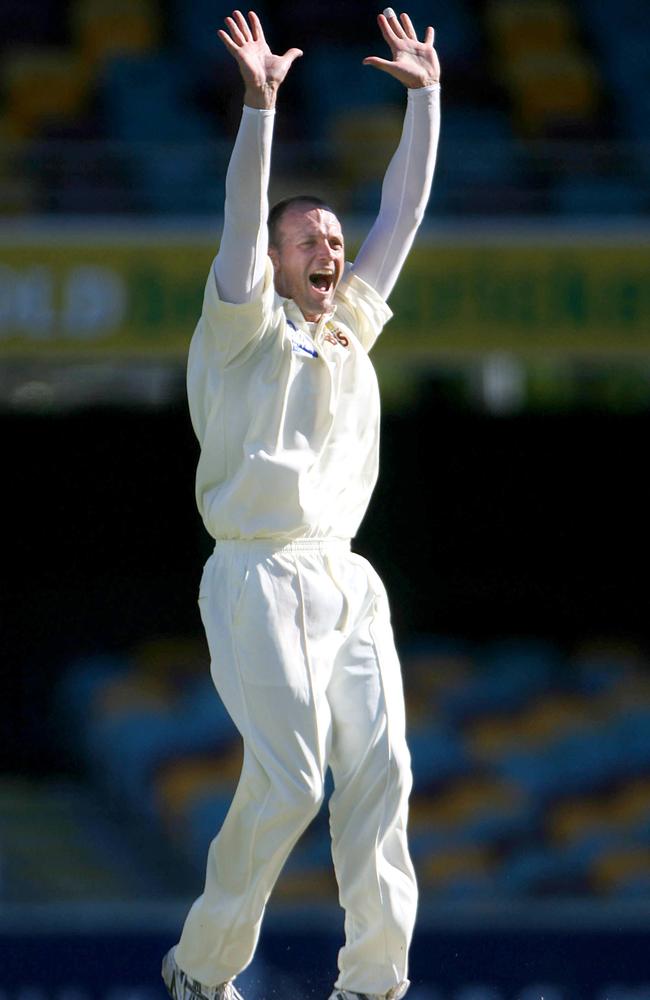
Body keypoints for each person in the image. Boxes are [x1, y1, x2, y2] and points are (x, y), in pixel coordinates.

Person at [162, 8, 440, 1000]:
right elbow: (242, 219)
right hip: (254, 570)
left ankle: (371, 983)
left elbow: (399, 216)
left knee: (382, 778)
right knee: (286, 780)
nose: (330, 247)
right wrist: (258, 109)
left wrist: (426, 98)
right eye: (309, 239)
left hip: (343, 575)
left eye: (332, 236)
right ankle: (202, 968)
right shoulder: (241, 327)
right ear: (276, 264)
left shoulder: (349, 331)